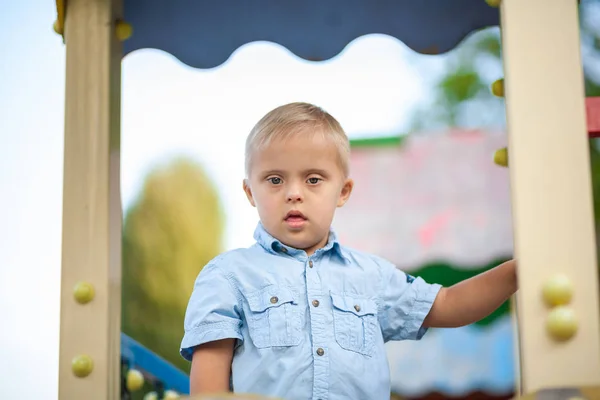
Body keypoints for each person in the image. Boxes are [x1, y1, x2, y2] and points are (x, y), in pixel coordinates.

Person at [180, 102, 518, 400]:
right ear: (250, 191)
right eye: (274, 180)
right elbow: (209, 385)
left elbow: (448, 304)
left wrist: (516, 271)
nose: (294, 193)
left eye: (313, 179)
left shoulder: (372, 276)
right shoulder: (227, 276)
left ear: (343, 191)